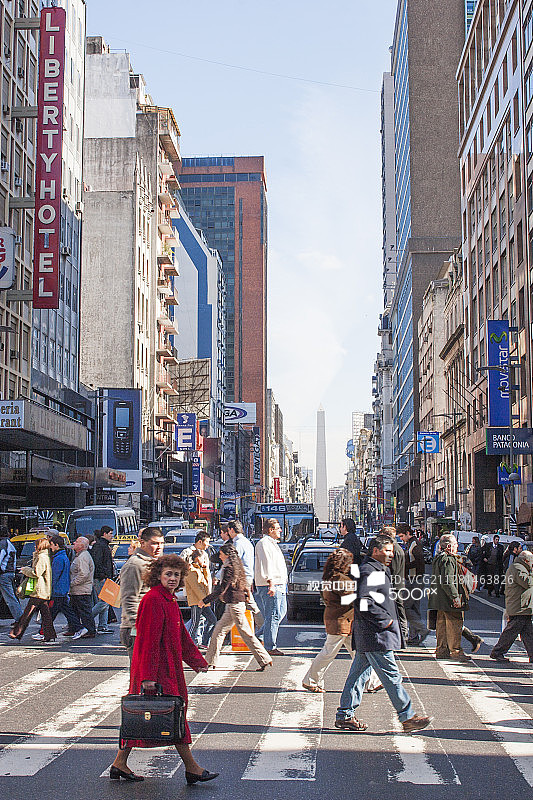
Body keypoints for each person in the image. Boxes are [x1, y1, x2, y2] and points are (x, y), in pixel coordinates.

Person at [110, 554, 218, 785]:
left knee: (147, 717)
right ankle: (192, 768)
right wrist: (148, 677)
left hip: (167, 667)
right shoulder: (153, 600)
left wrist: (197, 661)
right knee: (171, 716)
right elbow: (147, 640)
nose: (173, 578)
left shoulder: (168, 599)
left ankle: (120, 763)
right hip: (156, 669)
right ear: (157, 575)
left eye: (177, 575)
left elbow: (181, 636)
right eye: (168, 574)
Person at [335, 534, 431, 733]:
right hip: (376, 634)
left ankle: (345, 714)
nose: (391, 555)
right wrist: (384, 620)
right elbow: (363, 601)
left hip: (371, 634)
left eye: (392, 551)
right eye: (387, 551)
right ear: (376, 551)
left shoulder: (377, 569)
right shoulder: (370, 571)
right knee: (391, 676)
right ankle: (407, 716)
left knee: (358, 675)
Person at [302, 547, 382, 694]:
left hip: (341, 620)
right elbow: (350, 598)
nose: (351, 565)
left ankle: (372, 682)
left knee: (359, 653)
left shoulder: (329, 577)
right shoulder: (340, 579)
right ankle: (310, 680)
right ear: (343, 563)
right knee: (329, 653)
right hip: (341, 622)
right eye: (349, 562)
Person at [203, 543, 272, 671]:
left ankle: (264, 659)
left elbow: (222, 588)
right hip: (232, 604)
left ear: (227, 555)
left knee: (245, 633)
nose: (220, 556)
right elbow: (214, 559)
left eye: (221, 554)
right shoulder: (235, 565)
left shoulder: (229, 568)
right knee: (219, 631)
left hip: (235, 605)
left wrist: (206, 600)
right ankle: (210, 661)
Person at [119, 527, 164, 658]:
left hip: (152, 626)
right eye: (154, 543)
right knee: (141, 669)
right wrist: (138, 627)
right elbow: (129, 599)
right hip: (137, 629)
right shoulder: (135, 564)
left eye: (161, 543)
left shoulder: (154, 562)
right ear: (142, 543)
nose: (159, 547)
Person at [429, 533, 470, 663]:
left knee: (441, 625)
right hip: (448, 599)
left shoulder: (438, 558)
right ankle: (455, 651)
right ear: (448, 547)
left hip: (439, 598)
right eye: (455, 544)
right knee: (455, 624)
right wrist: (455, 597)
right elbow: (448, 581)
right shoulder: (449, 560)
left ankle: (442, 650)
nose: (457, 546)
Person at [490, 549, 533, 662]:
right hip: (519, 606)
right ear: (526, 560)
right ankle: (497, 651)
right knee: (511, 632)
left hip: (523, 606)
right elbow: (527, 582)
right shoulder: (517, 568)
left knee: (528, 633)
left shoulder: (521, 567)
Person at [10, 537, 56, 643]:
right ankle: (50, 634)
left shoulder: (41, 557)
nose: (35, 547)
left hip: (39, 589)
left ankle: (17, 632)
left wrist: (24, 569)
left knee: (28, 613)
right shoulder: (43, 556)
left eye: (36, 545)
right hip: (42, 590)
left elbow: (36, 572)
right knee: (46, 614)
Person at [254, 518, 288, 656]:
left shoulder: (272, 543)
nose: (280, 530)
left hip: (280, 584)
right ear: (270, 529)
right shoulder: (264, 543)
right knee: (272, 615)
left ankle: (260, 636)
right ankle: (270, 646)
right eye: (278, 528)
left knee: (280, 612)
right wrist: (271, 583)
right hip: (270, 584)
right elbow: (267, 564)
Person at [397, 523, 430, 645]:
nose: (401, 539)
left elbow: (419, 563)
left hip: (414, 580)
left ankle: (421, 629)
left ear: (407, 533)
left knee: (406, 607)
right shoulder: (411, 543)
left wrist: (404, 566)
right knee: (414, 608)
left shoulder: (415, 544)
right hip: (414, 579)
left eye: (402, 536)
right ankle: (414, 635)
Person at [227, 520, 263, 628]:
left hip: (241, 579)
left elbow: (233, 562)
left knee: (248, 604)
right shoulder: (247, 542)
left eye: (228, 530)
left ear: (232, 530)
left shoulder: (238, 544)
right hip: (247, 577)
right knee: (245, 604)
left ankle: (262, 628)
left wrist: (219, 576)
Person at [64, 536, 97, 640]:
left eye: (77, 542)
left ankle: (90, 630)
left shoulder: (83, 557)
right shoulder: (80, 556)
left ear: (82, 546)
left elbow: (84, 574)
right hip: (77, 590)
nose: (74, 543)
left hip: (81, 590)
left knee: (84, 611)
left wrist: (72, 583)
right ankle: (74, 628)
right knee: (74, 610)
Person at [381, 525, 408, 646]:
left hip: (395, 585)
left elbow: (394, 570)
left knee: (398, 611)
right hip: (396, 584)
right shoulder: (396, 548)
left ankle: (403, 636)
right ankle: (400, 635)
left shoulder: (395, 549)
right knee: (397, 611)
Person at [185, 548, 216, 648]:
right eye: (204, 558)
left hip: (203, 601)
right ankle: (188, 643)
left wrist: (205, 569)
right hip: (197, 601)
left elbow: (207, 583)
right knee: (195, 623)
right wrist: (205, 600)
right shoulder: (191, 571)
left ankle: (204, 642)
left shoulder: (199, 569)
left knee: (212, 620)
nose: (206, 560)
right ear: (198, 558)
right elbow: (196, 588)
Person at [91, 525, 115, 634]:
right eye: (110, 534)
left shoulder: (102, 545)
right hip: (101, 578)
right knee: (104, 602)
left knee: (106, 601)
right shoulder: (100, 546)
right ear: (104, 534)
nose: (112, 536)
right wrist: (102, 575)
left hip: (105, 577)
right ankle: (88, 619)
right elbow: (97, 562)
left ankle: (102, 626)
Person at [0, 525, 22, 625]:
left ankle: (20, 619)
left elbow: (1, 558)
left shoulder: (2, 544)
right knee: (10, 597)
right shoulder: (9, 543)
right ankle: (19, 618)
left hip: (3, 574)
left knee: (10, 598)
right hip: (9, 573)